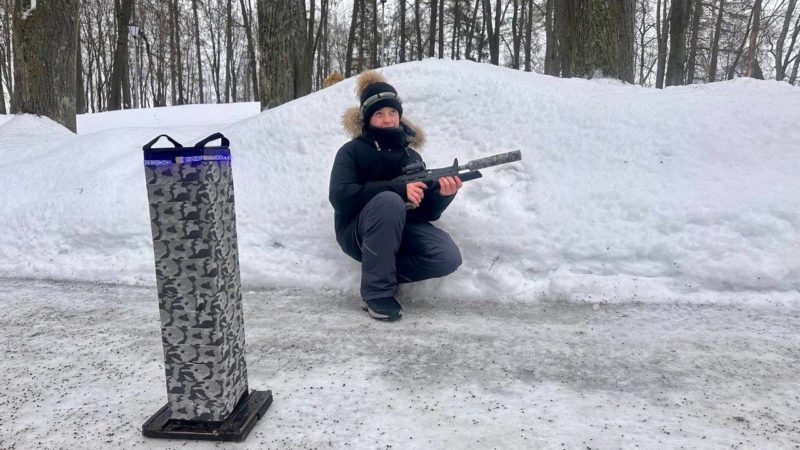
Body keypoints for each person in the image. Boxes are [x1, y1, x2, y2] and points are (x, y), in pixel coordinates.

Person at [329, 70, 463, 321]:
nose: (388, 119)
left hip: (401, 230)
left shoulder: (411, 156)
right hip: (356, 232)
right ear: (367, 119)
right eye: (379, 114)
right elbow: (340, 197)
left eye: (392, 112)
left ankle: (381, 270)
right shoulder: (351, 152)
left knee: (447, 255)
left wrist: (443, 194)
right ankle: (376, 293)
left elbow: (425, 211)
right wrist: (398, 190)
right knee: (389, 201)